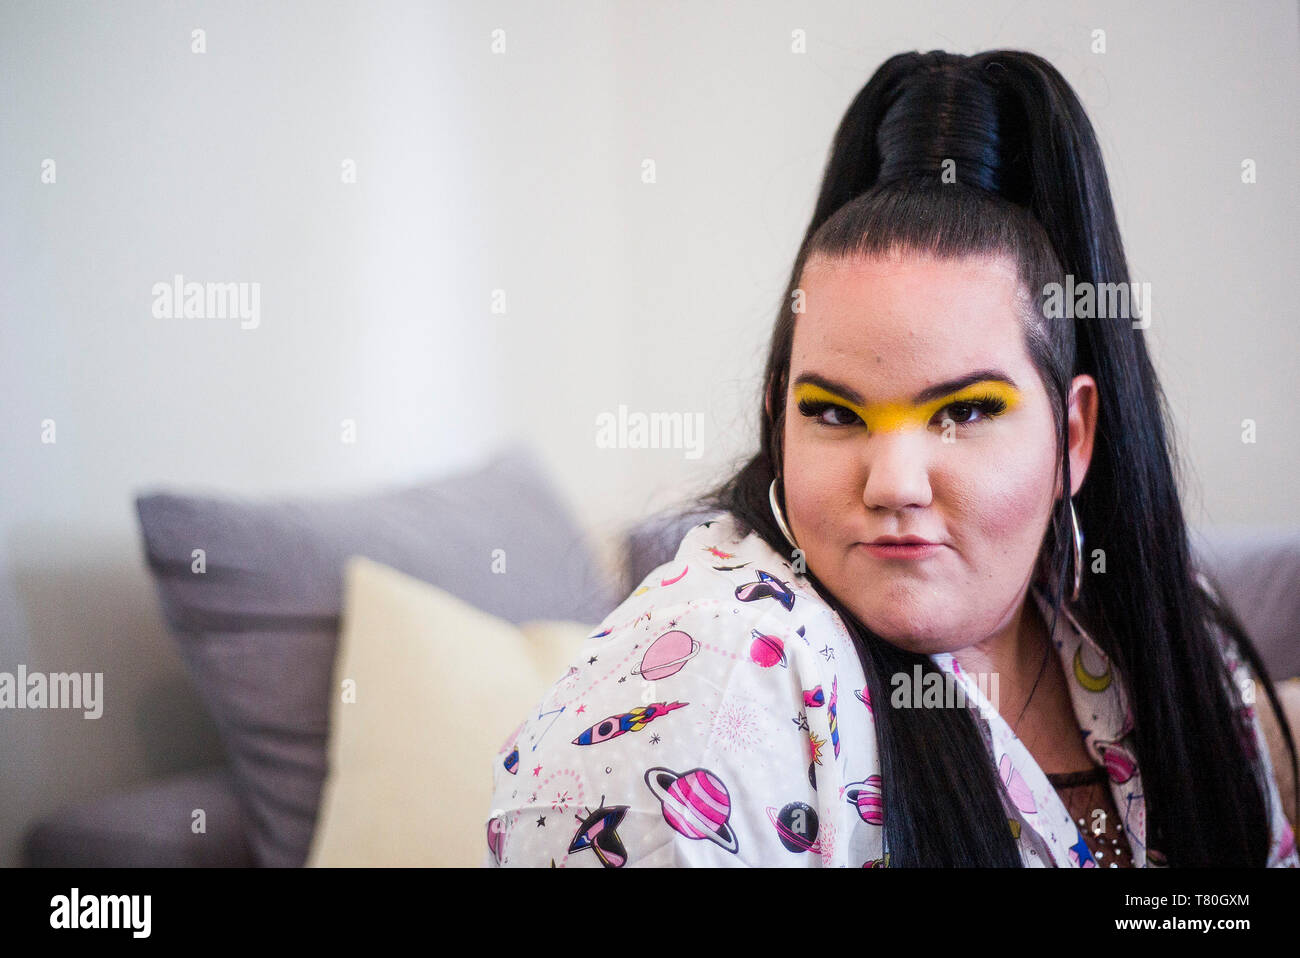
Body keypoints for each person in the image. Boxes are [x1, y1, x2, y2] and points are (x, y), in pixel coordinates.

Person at [484, 49, 1299, 867]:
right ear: (779, 418)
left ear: (1073, 437)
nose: (894, 484)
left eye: (966, 411)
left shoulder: (1165, 641)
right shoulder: (708, 689)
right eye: (834, 413)